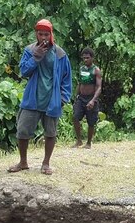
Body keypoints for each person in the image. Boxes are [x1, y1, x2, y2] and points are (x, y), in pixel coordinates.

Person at [9, 19, 72, 175]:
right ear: (36, 34)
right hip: (32, 99)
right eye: (40, 34)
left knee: (50, 133)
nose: (43, 37)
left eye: (46, 34)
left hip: (52, 100)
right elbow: (23, 72)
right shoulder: (29, 50)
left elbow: (67, 77)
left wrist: (63, 98)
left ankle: (46, 164)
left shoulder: (60, 53)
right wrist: (35, 58)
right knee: (22, 131)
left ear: (51, 35)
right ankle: (23, 162)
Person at [72, 48, 102, 149]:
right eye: (84, 58)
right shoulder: (81, 69)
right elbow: (80, 83)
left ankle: (88, 142)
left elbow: (99, 87)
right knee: (75, 117)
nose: (85, 60)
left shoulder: (96, 70)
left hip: (91, 98)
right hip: (81, 98)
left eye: (87, 58)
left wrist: (93, 100)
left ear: (92, 58)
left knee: (91, 121)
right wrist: (76, 96)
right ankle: (79, 140)